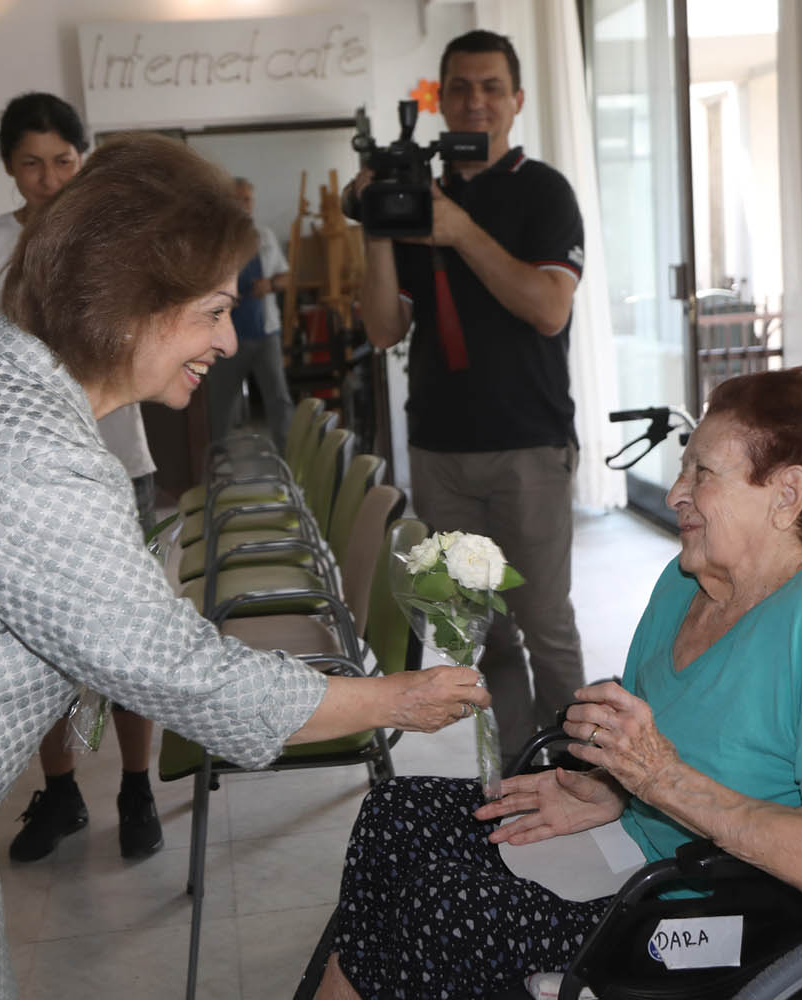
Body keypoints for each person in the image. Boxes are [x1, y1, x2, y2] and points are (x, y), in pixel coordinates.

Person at [0, 134, 488, 1000]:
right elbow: (177, 672)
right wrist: (395, 697)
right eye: (212, 310)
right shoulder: (34, 450)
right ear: (136, 302)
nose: (225, 339)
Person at [313, 367, 802, 999]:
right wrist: (613, 788)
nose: (677, 492)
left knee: (449, 910)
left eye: (702, 474)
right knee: (395, 815)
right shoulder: (682, 584)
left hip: (717, 911)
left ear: (787, 493)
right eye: (683, 470)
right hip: (638, 846)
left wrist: (657, 779)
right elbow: (676, 748)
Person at [348, 29, 587, 762]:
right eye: (459, 88)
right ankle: (518, 768)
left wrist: (459, 231)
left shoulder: (543, 191)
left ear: (516, 101)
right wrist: (379, 228)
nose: (474, 100)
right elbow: (386, 326)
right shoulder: (423, 194)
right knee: (482, 631)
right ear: (439, 100)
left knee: (544, 624)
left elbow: (548, 307)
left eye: (490, 87)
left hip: (529, 445)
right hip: (441, 450)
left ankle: (584, 773)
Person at [0, 92, 166, 863]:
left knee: (133, 635)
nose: (47, 178)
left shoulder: (117, 239)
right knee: (35, 640)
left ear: (84, 158)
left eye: (62, 161)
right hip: (20, 472)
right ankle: (63, 790)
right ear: (9, 168)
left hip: (114, 462)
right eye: (30, 163)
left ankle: (138, 787)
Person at [203, 176, 294, 453]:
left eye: (247, 199)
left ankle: (290, 464)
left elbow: (286, 278)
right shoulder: (214, 241)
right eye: (237, 199)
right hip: (225, 336)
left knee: (279, 399)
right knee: (219, 405)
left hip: (265, 333)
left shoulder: (264, 236)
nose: (244, 205)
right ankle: (218, 468)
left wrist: (271, 284)